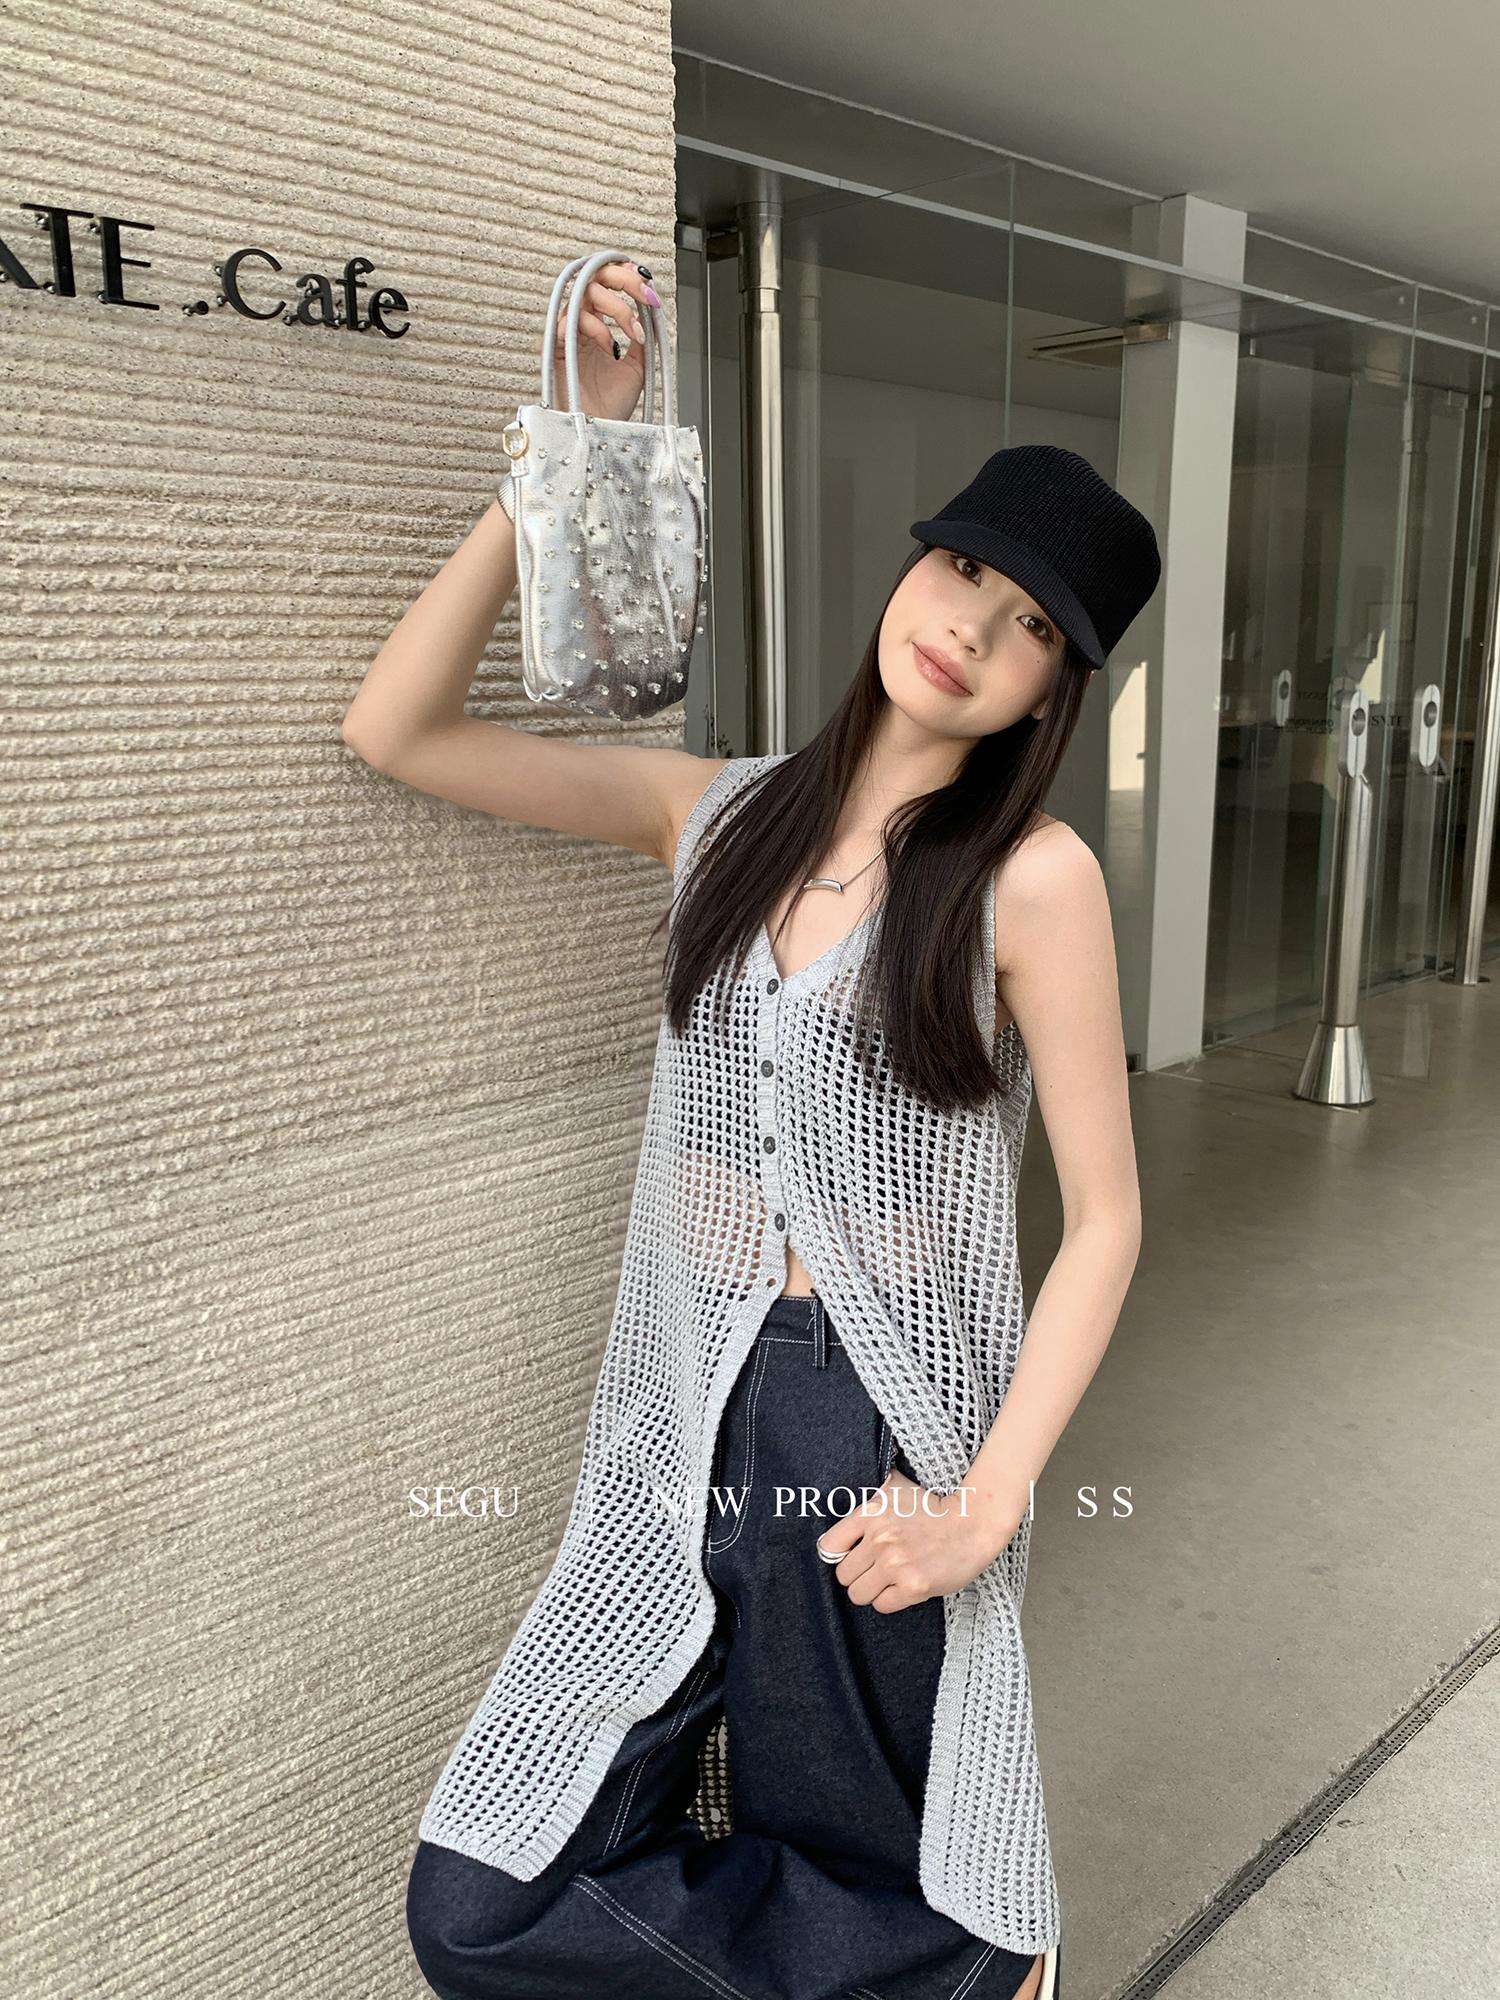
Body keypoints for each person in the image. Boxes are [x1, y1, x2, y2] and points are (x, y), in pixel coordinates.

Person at [342, 258, 1161, 2000]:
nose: (973, 628)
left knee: (856, 1844)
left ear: (1052, 692)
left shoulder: (1031, 880)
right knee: (480, 1897)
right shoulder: (713, 815)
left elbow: (1106, 1219)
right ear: (911, 566)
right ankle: (974, 1975)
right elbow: (394, 728)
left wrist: (985, 1504)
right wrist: (570, 453)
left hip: (873, 1424)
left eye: (1031, 627)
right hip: (675, 1405)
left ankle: (975, 1957)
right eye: (964, 571)